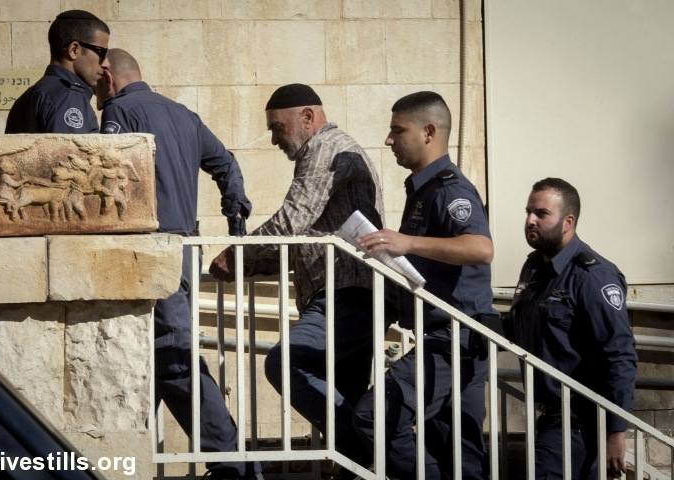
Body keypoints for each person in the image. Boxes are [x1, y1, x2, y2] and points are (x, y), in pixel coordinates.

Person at [209, 83, 389, 477]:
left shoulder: (325, 148)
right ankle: (366, 458)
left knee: (284, 363)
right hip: (349, 293)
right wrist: (253, 266)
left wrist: (237, 252)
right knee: (347, 400)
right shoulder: (329, 149)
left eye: (277, 127)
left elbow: (292, 221)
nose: (273, 139)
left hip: (346, 293)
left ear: (307, 117)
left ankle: (379, 447)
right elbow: (307, 239)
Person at [95, 48, 259, 480]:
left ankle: (235, 466)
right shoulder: (183, 114)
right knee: (147, 357)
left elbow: (108, 178)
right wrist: (235, 219)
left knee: (173, 356)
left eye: (98, 80)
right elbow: (226, 164)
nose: (95, 89)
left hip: (148, 252)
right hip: (184, 252)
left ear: (109, 76)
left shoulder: (120, 111)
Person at [352, 91, 498, 480]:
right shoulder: (424, 188)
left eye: (397, 130)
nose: (388, 140)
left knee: (375, 416)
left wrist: (407, 242)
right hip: (445, 338)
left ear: (429, 132)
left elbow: (481, 249)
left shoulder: (450, 189)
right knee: (457, 453)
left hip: (456, 338)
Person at [504, 177, 637, 479]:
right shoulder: (534, 266)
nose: (530, 220)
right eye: (528, 212)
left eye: (541, 213)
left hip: (579, 422)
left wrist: (617, 431)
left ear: (568, 221)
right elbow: (515, 328)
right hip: (550, 421)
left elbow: (619, 356)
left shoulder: (593, 275)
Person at [5, 10, 110, 134]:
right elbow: (71, 153)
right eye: (102, 53)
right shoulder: (69, 97)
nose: (106, 64)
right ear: (74, 50)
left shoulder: (28, 97)